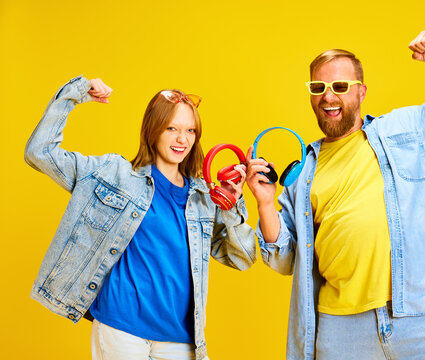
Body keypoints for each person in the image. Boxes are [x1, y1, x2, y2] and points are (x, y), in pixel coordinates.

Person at [246, 31, 425, 359]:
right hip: (340, 330)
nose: (328, 97)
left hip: (422, 318)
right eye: (318, 88)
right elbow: (284, 259)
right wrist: (266, 202)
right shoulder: (303, 175)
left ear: (361, 91)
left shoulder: (415, 128)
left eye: (340, 87)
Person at [24, 76, 257, 360]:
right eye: (171, 128)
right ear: (153, 130)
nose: (182, 139)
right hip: (121, 327)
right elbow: (40, 152)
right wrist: (75, 93)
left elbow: (242, 257)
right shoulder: (114, 174)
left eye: (190, 130)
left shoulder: (203, 198)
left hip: (180, 337)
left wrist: (232, 203)